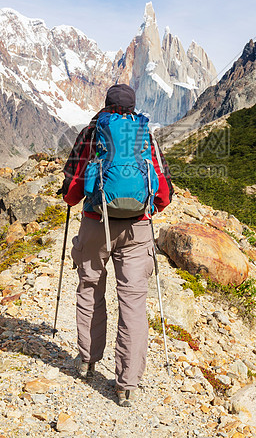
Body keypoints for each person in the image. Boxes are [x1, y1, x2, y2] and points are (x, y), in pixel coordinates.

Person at [60, 83, 173, 407]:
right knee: (134, 303)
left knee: (90, 288)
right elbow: (163, 191)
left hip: (97, 224)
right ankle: (126, 384)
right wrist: (147, 208)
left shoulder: (93, 131)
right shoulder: (144, 135)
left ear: (107, 105)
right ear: (133, 107)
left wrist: (73, 198)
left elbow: (73, 188)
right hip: (138, 229)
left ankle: (88, 360)